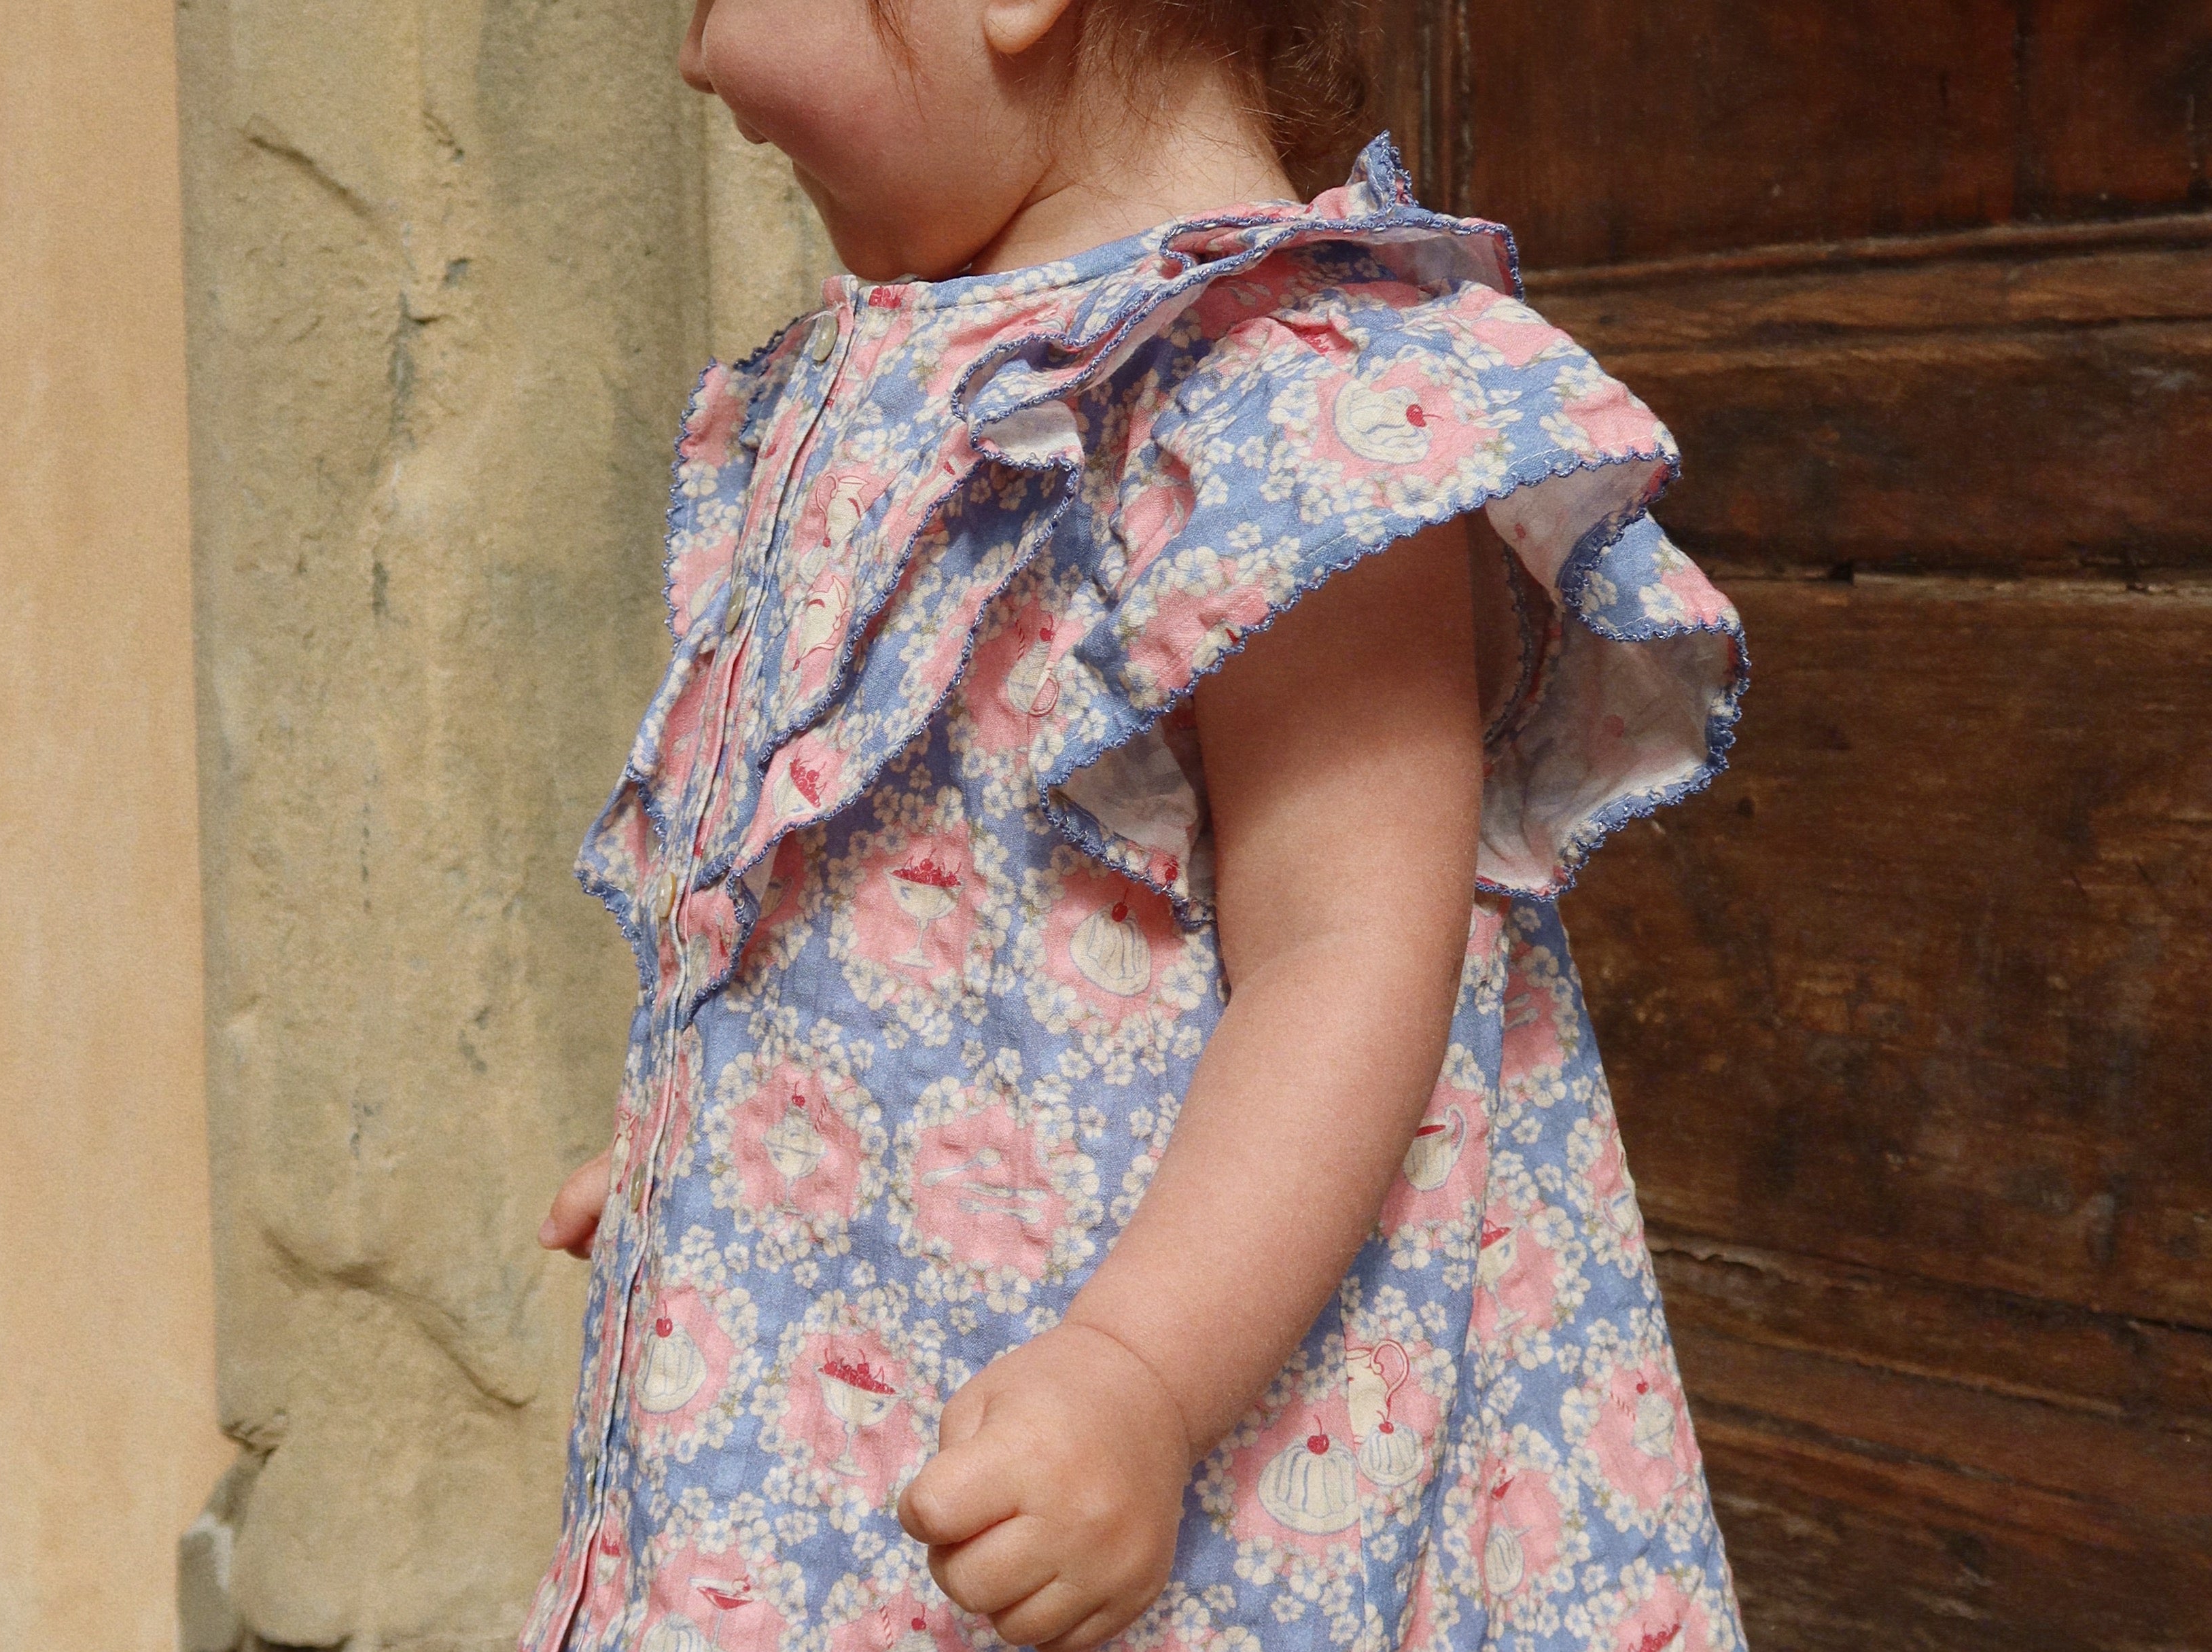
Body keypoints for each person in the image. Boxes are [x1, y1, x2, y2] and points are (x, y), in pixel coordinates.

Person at [525, 0, 1750, 1647]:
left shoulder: (1290, 397)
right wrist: (744, 1132)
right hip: (881, 1422)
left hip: (1163, 1413)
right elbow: (916, 901)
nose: (696, 58)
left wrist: (1139, 1378)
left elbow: (1348, 951)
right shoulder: (913, 382)